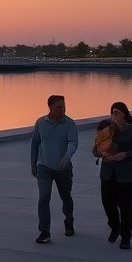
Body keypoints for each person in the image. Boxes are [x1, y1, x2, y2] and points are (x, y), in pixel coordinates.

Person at [93, 101, 132, 249]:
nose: (114, 115)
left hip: (128, 174)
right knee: (108, 203)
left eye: (117, 112)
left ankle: (126, 237)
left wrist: (125, 154)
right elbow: (95, 150)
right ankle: (115, 226)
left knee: (125, 205)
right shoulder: (106, 130)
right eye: (112, 112)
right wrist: (103, 154)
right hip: (108, 173)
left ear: (124, 115)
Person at [30, 94, 77, 243]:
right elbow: (35, 143)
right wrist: (33, 163)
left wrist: (66, 158)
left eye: (64, 106)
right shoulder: (40, 123)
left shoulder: (69, 123)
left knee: (66, 197)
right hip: (43, 167)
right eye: (59, 107)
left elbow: (73, 143)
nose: (63, 109)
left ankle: (69, 220)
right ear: (50, 107)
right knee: (44, 198)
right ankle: (44, 231)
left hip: (63, 168)